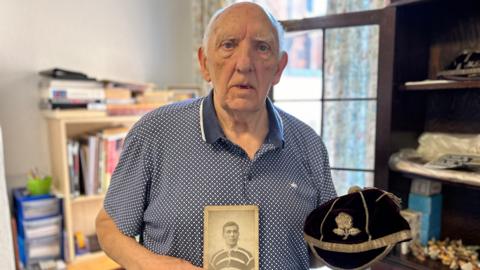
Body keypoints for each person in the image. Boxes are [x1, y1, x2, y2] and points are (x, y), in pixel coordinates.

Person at [95, 2, 336, 270]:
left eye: (262, 47)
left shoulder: (309, 145)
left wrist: (356, 242)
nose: (244, 64)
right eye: (229, 45)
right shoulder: (154, 132)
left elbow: (317, 252)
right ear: (204, 63)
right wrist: (156, 265)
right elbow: (109, 226)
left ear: (279, 68)